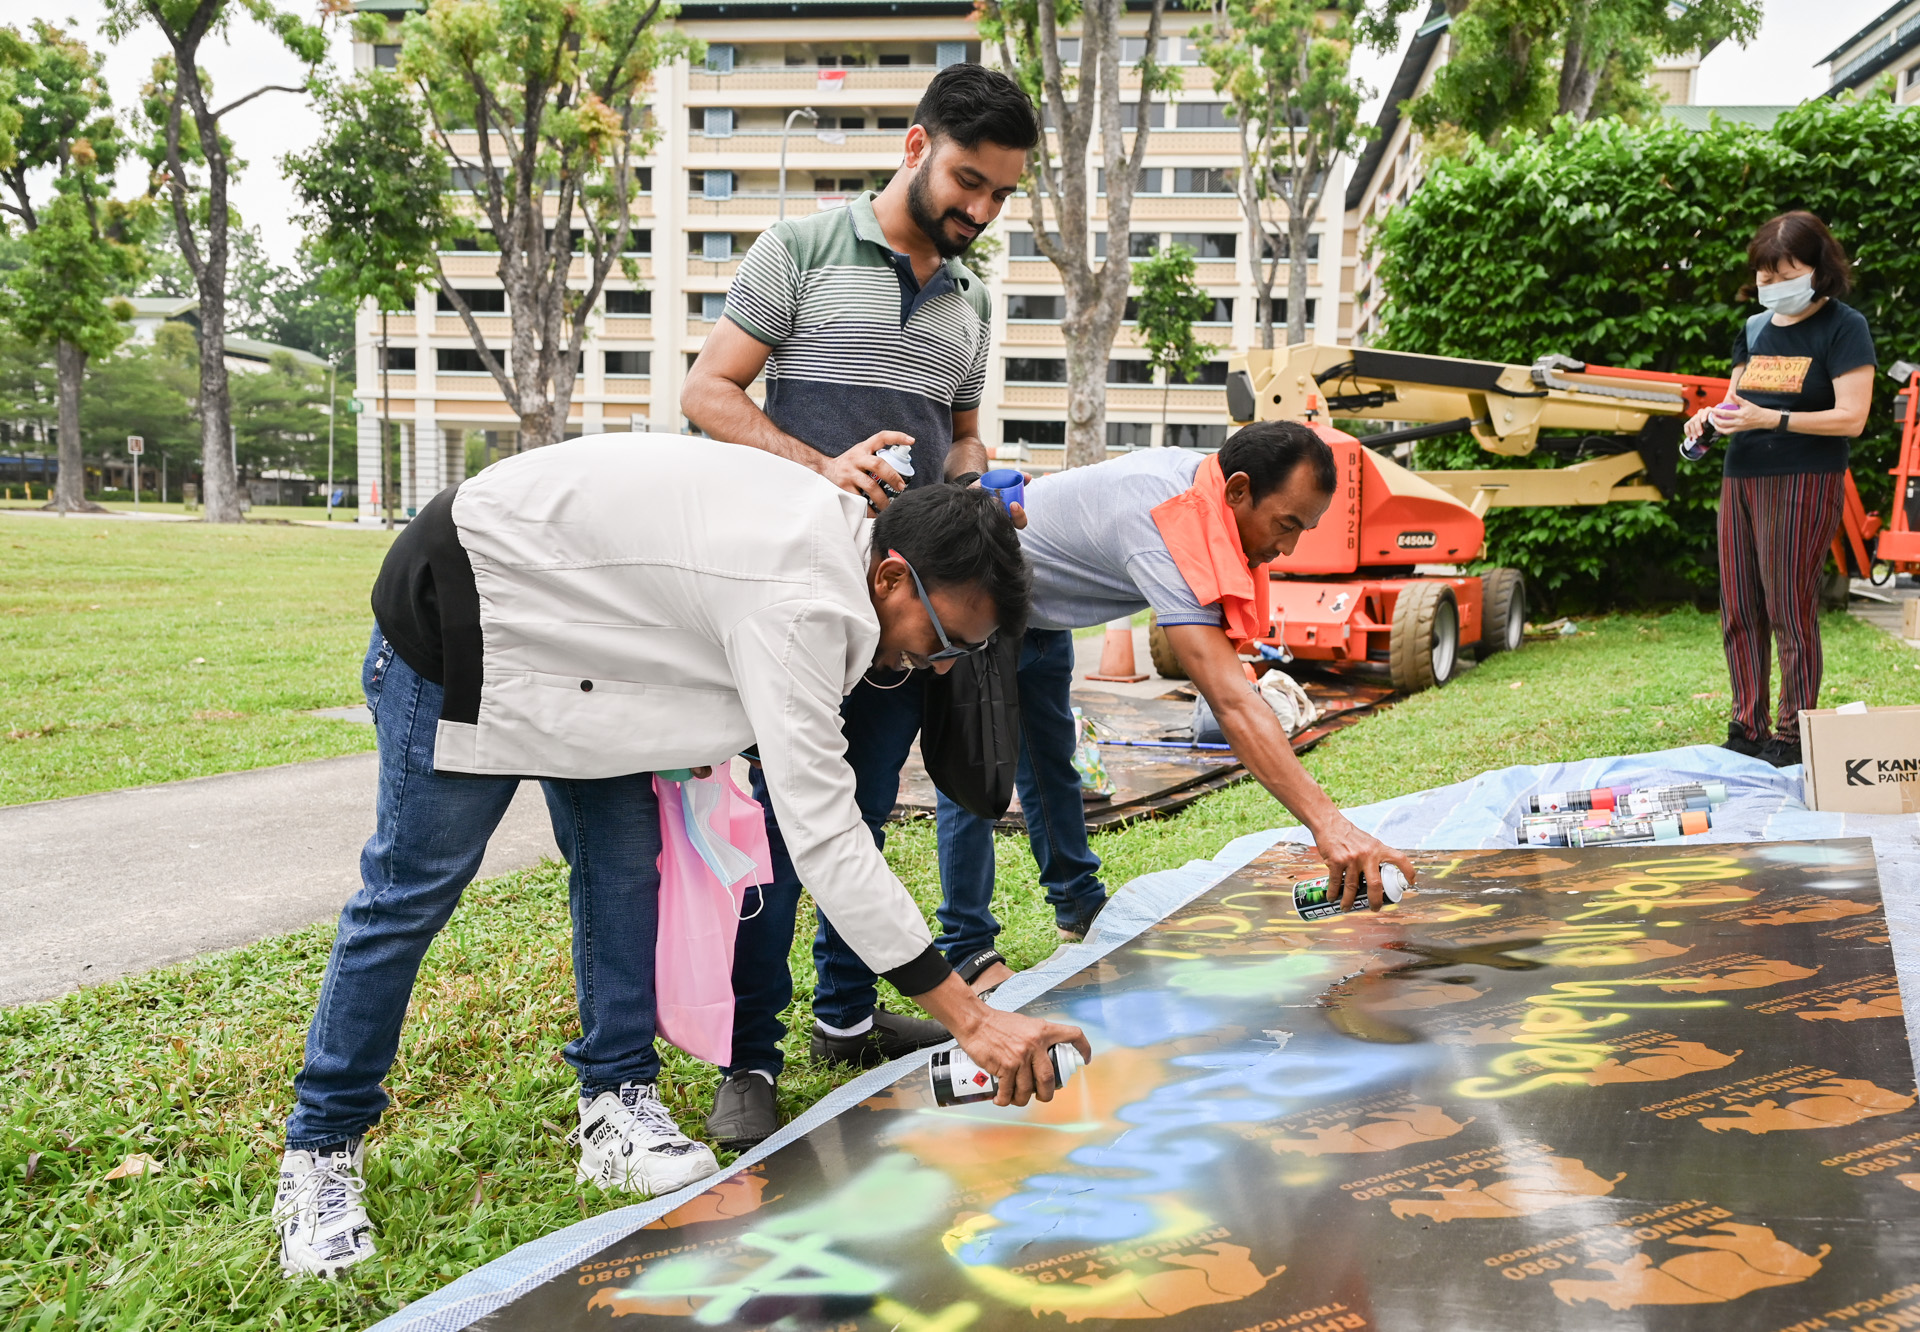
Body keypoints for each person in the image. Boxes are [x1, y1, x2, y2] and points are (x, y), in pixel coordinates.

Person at [270, 435, 1088, 1280]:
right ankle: (320, 1148)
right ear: (891, 577)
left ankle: (615, 1101)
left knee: (626, 874)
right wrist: (972, 1019)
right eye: (944, 639)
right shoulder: (806, 600)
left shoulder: (842, 560)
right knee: (412, 890)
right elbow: (824, 830)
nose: (939, 666)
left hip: (590, 643)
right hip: (469, 606)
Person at [680, 62, 1079, 1152]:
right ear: (915, 146)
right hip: (799, 604)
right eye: (967, 181)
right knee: (781, 836)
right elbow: (707, 393)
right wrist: (822, 468)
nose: (980, 210)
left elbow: (961, 433)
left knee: (858, 821)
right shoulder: (801, 249)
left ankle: (846, 1017)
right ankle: (749, 1057)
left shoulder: (972, 298)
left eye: (1000, 194)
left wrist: (977, 483)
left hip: (907, 622)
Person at [938, 421, 1418, 942]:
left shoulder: (1203, 495)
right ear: (1238, 490)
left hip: (1041, 615)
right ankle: (967, 945)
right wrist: (1331, 826)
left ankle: (1080, 907)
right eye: (1286, 525)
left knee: (1050, 763)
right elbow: (1231, 702)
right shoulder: (1163, 524)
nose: (1288, 548)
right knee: (974, 776)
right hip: (977, 604)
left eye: (1304, 529)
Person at [1684, 210, 1876, 769]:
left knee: (1789, 608)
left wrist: (1774, 419)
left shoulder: (1844, 326)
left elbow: (1852, 418)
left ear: (1818, 269)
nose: (1771, 286)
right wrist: (1708, 421)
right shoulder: (1753, 330)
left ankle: (1792, 734)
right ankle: (1747, 727)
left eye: (1784, 275)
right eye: (1763, 276)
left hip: (1803, 480)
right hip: (1741, 475)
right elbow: (1734, 404)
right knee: (1739, 607)